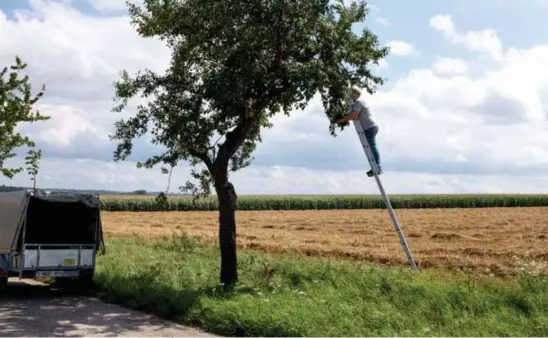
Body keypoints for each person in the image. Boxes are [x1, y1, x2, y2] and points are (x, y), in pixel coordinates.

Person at [335, 86, 383, 177]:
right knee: (370, 147)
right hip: (369, 127)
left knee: (372, 147)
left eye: (351, 93)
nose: (350, 95)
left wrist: (340, 120)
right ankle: (374, 167)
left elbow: (353, 115)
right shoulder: (356, 103)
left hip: (369, 127)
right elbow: (352, 116)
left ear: (356, 94)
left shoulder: (358, 102)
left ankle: (377, 167)